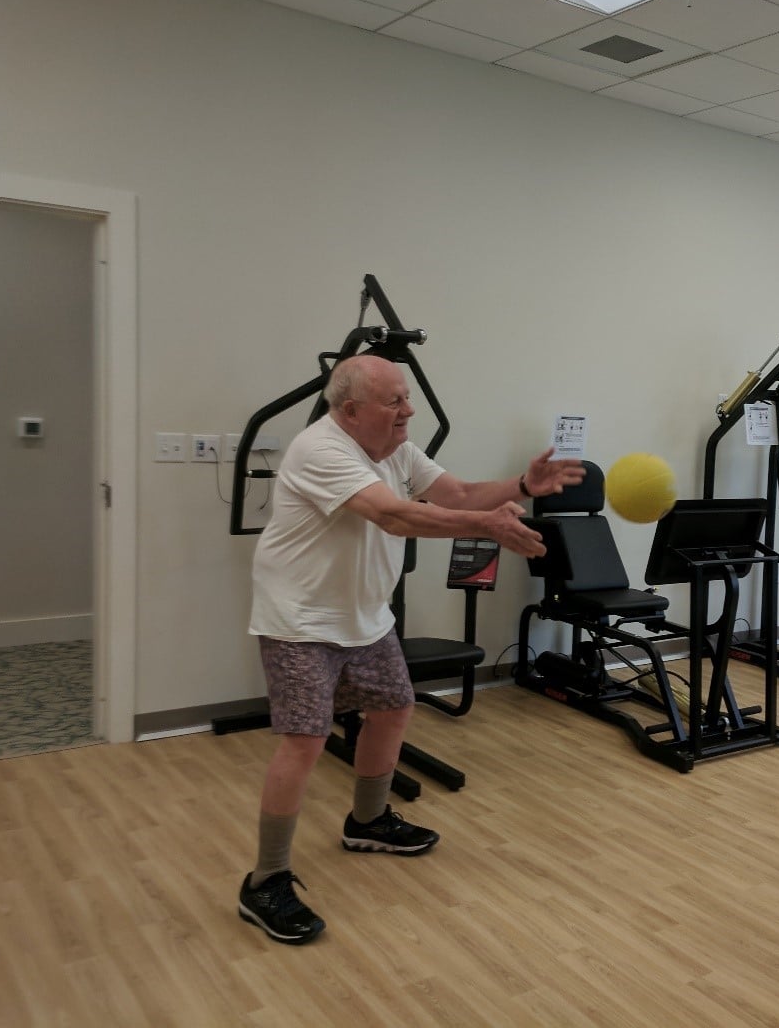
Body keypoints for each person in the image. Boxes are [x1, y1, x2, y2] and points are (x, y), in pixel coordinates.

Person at [238, 353, 584, 945]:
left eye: (406, 397)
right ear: (350, 411)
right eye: (394, 401)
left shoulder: (397, 448)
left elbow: (463, 492)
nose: (408, 409)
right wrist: (486, 528)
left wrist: (523, 487)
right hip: (301, 620)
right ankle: (265, 881)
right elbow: (394, 517)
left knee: (395, 708)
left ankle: (368, 820)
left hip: (365, 616)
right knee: (305, 740)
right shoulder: (319, 450)